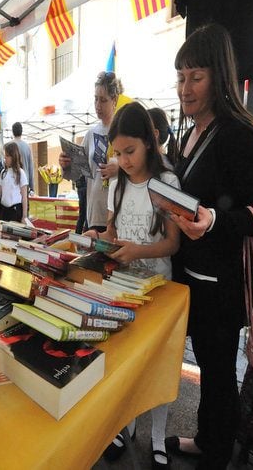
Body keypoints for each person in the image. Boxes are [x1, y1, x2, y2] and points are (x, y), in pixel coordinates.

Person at [166, 23, 253, 469]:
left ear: (220, 76)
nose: (185, 88)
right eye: (180, 77)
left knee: (218, 372)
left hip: (221, 284)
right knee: (210, 371)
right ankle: (207, 438)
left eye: (196, 77)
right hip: (188, 275)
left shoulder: (239, 133)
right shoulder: (189, 133)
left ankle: (217, 453)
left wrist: (212, 220)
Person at [83, 102, 180, 469]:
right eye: (118, 153)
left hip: (160, 289)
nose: (123, 160)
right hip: (125, 288)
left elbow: (173, 244)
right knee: (125, 363)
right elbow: (112, 231)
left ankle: (158, 435)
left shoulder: (167, 183)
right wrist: (99, 238)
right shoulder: (117, 184)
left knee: (159, 365)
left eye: (130, 151)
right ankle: (126, 428)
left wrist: (138, 250)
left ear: (150, 144)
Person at [59, 71, 123, 232]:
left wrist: (120, 168)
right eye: (95, 99)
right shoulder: (91, 133)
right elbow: (76, 174)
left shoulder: (123, 130)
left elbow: (140, 168)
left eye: (103, 100)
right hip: (94, 212)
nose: (97, 105)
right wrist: (65, 165)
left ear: (114, 100)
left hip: (118, 212)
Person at [0, 141, 28, 223]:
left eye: (7, 156)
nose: (4, 158)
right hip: (4, 211)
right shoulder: (3, 172)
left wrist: (24, 216)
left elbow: (24, 197)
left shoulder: (20, 173)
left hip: (16, 210)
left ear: (13, 156)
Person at [11, 122, 35, 193]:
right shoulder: (27, 147)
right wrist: (32, 187)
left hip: (13, 182)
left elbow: (4, 165)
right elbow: (31, 168)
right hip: (25, 183)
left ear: (13, 132)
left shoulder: (8, 147)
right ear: (22, 131)